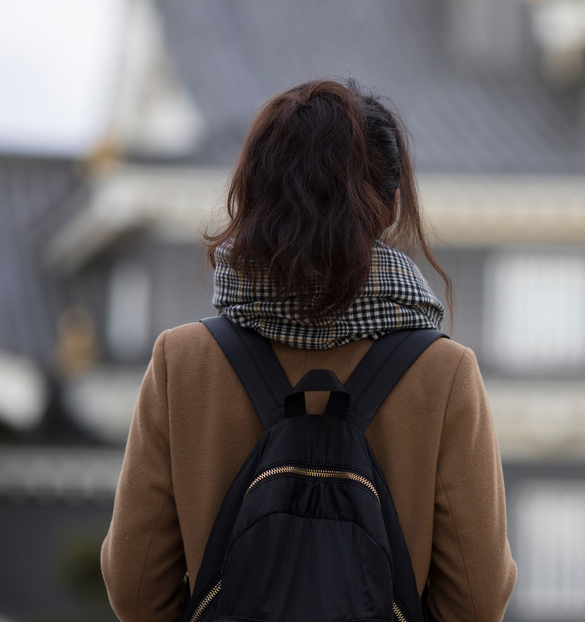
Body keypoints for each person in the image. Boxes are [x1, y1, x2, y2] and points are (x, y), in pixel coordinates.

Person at [100, 79, 517, 622]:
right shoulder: (443, 374)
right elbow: (477, 599)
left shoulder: (182, 362)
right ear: (391, 205)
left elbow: (134, 589)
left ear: (253, 196)